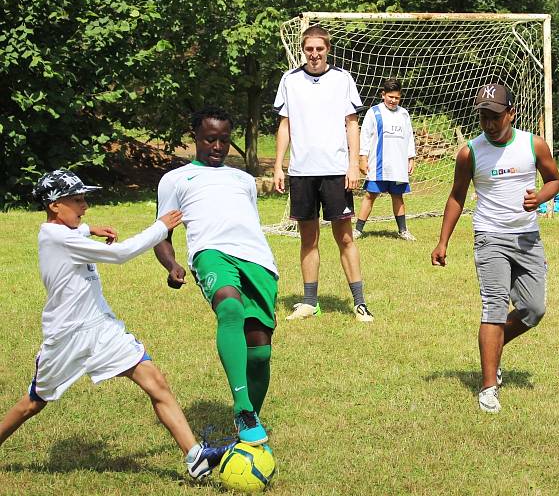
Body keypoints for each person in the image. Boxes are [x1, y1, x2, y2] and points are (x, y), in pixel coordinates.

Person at [0, 170, 227, 479]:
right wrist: (161, 227)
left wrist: (90, 228)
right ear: (54, 205)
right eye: (78, 200)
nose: (85, 206)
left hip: (101, 328)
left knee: (155, 380)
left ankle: (195, 457)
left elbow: (75, 233)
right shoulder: (58, 238)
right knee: (33, 403)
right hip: (67, 336)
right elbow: (120, 254)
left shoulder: (65, 232)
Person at [431, 84, 559, 413]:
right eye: (483, 116)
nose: (489, 123)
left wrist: (540, 198)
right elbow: (457, 196)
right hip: (489, 238)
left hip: (527, 239)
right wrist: (443, 240)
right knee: (493, 307)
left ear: (511, 114)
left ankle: (493, 347)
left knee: (534, 310)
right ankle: (489, 385)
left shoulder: (533, 144)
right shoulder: (470, 152)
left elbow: (554, 180)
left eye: (495, 116)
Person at [154, 106, 278, 446]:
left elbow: (250, 224)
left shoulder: (243, 179)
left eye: (224, 140)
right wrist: (172, 265)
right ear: (196, 137)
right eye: (210, 139)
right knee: (229, 308)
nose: (218, 147)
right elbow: (161, 235)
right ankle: (241, 408)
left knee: (260, 351)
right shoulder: (176, 179)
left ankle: (249, 418)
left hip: (258, 261)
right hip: (211, 253)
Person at [273, 24, 374, 322]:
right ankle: (309, 301)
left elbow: (352, 123)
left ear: (327, 49)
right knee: (308, 239)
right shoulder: (290, 80)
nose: (314, 54)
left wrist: (353, 164)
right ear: (302, 50)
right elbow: (285, 125)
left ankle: (359, 303)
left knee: (344, 238)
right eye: (309, 49)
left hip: (335, 171)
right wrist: (279, 165)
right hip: (303, 172)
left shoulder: (342, 79)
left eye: (319, 49)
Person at [354, 77, 417, 241]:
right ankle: (358, 229)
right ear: (383, 95)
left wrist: (411, 158)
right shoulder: (374, 112)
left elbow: (409, 137)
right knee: (370, 195)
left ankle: (403, 230)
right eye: (390, 97)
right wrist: (363, 157)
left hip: (398, 165)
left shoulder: (404, 114)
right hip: (378, 165)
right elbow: (365, 136)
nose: (393, 100)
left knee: (398, 196)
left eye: (397, 97)